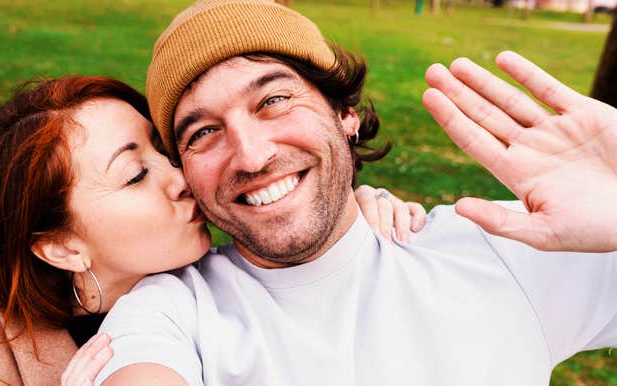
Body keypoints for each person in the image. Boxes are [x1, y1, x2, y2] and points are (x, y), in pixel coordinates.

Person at [91, 1, 617, 385]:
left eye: (273, 99)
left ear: (344, 113)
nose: (250, 156)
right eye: (202, 133)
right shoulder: (172, 311)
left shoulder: (499, 249)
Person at [0, 75, 423, 385]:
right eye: (134, 175)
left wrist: (344, 220)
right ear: (61, 247)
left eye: (162, 147)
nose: (181, 177)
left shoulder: (184, 285)